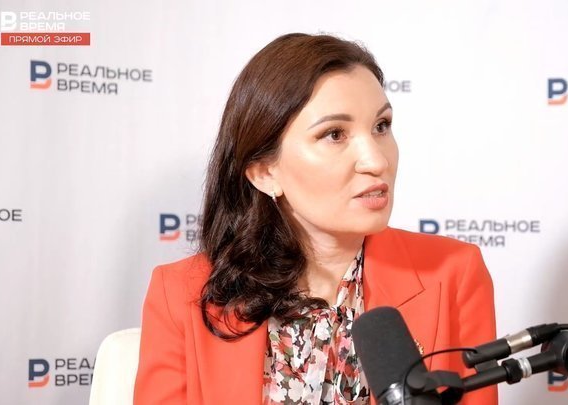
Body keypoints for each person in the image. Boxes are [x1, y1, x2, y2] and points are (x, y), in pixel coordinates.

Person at [133, 33, 497, 405]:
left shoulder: (453, 273)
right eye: (334, 134)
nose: (377, 160)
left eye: (381, 126)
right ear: (264, 172)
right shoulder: (180, 293)